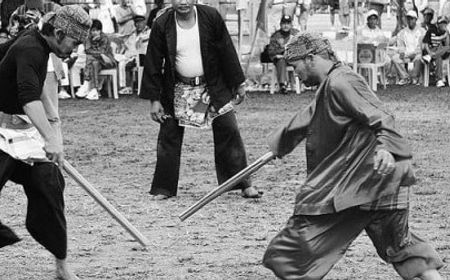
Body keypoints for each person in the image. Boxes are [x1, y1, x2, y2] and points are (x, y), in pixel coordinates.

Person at [262, 32, 444, 280]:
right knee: (402, 246)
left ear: (311, 58)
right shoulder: (332, 84)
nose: (295, 73)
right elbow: (307, 117)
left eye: (295, 66)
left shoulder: (341, 82)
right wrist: (279, 145)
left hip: (367, 180)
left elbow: (382, 116)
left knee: (293, 248)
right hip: (375, 182)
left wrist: (386, 148)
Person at [0, 5, 91, 280]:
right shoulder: (31, 49)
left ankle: (61, 265)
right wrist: (51, 140)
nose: (74, 49)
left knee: (50, 184)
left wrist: (51, 135)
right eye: (74, 42)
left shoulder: (40, 43)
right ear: (60, 32)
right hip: (0, 130)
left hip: (24, 134)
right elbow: (29, 98)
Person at [140, 0, 262, 200]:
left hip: (212, 85)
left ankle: (243, 183)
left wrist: (238, 83)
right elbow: (153, 61)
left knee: (229, 129)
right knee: (168, 135)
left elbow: (226, 50)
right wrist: (154, 99)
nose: (183, 2)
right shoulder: (162, 23)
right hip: (178, 88)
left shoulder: (210, 17)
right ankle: (163, 188)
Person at [76, 19, 116, 100]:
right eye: (93, 30)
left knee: (90, 58)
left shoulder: (105, 38)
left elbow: (103, 52)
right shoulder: (88, 38)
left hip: (107, 61)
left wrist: (95, 49)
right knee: (94, 62)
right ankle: (94, 90)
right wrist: (98, 52)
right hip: (96, 62)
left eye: (97, 30)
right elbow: (87, 50)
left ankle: (86, 84)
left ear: (100, 30)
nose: (95, 32)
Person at [390, 10, 426, 85]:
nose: (410, 21)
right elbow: (400, 45)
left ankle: (414, 77)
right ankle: (405, 77)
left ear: (416, 20)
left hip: (417, 53)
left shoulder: (422, 31)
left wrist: (416, 52)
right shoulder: (402, 32)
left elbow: (423, 46)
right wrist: (402, 52)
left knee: (419, 57)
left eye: (412, 19)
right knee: (395, 58)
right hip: (406, 54)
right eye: (408, 19)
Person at [268, 15, 299, 94]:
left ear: (291, 25)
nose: (286, 26)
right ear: (280, 25)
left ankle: (305, 82)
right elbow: (271, 51)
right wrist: (281, 53)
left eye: (288, 23)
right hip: (280, 59)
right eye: (284, 23)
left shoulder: (296, 34)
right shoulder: (275, 36)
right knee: (281, 61)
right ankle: (282, 85)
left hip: (293, 57)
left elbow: (301, 47)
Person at [422, 15, 450, 87]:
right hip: (431, 50)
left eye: (445, 23)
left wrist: (447, 35)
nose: (444, 25)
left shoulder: (445, 33)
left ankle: (430, 56)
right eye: (442, 23)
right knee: (439, 57)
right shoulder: (431, 30)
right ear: (438, 24)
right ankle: (439, 80)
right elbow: (425, 43)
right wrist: (429, 52)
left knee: (447, 48)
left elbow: (446, 46)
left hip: (439, 52)